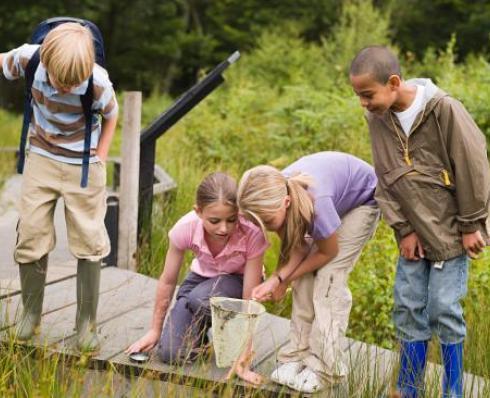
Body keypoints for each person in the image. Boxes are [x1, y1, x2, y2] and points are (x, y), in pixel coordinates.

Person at [349, 45, 490, 397]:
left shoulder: (444, 110)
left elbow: (474, 166)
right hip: (413, 235)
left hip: (452, 231)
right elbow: (384, 176)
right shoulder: (377, 120)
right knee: (408, 307)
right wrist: (403, 229)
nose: (363, 104)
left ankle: (453, 390)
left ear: (394, 82)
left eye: (368, 95)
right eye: (359, 96)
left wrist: (473, 223)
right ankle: (408, 389)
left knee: (444, 308)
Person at [0, 22, 118, 351]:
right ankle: (30, 316)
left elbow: (112, 115)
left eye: (73, 83)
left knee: (89, 239)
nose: (65, 88)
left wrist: (101, 156)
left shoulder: (97, 81)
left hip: (82, 162)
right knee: (32, 234)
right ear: (46, 61)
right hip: (40, 157)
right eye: (59, 81)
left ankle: (86, 325)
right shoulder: (30, 59)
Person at [237, 151, 380, 393]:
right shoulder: (274, 194)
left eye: (269, 223)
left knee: (328, 278)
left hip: (362, 201)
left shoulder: (316, 202)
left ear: (286, 203)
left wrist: (281, 279)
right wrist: (278, 279)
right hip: (330, 198)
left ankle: (326, 368)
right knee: (303, 277)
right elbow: (298, 247)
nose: (267, 229)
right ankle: (297, 354)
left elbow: (328, 252)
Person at [126, 172, 268, 384]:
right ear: (198, 212)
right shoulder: (185, 228)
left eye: (231, 220)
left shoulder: (252, 231)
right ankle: (201, 336)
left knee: (200, 299)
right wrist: (155, 331)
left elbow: (250, 294)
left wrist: (244, 351)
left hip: (238, 283)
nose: (224, 228)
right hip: (199, 280)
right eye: (214, 220)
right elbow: (167, 280)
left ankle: (229, 336)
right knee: (171, 354)